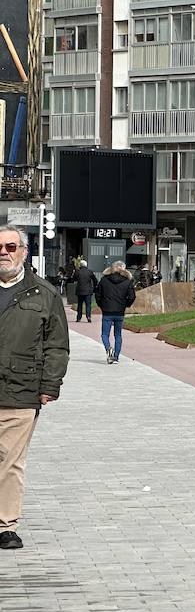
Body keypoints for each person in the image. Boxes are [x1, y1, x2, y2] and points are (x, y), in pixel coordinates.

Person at [0, 226, 71, 550]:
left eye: (11, 246)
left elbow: (57, 345)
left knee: (10, 459)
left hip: (20, 391)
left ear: (23, 251)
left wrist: (50, 384)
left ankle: (6, 525)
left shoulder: (44, 294)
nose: (4, 252)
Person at [96, 260, 137, 364]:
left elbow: (98, 295)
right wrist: (126, 304)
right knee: (118, 335)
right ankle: (116, 357)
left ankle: (108, 348)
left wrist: (102, 305)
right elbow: (132, 297)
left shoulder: (104, 280)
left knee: (104, 334)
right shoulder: (127, 281)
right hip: (120, 311)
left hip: (107, 311)